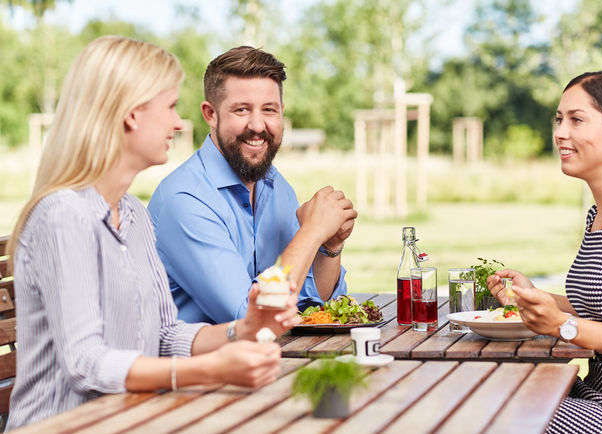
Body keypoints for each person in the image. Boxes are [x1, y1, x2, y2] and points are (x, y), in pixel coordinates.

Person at [5, 36, 300, 430]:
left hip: (133, 419)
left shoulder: (133, 214)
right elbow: (84, 363)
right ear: (131, 115)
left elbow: (164, 335)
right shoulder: (63, 216)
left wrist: (242, 329)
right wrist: (210, 370)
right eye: (171, 106)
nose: (179, 123)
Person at [488, 71, 602, 433]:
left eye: (577, 119)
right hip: (596, 396)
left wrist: (564, 326)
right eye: (559, 119)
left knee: (492, 410)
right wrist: (535, 297)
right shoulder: (599, 216)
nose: (560, 132)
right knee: (479, 386)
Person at [147, 46, 357, 324]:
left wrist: (329, 245)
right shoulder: (185, 199)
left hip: (272, 360)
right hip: (197, 365)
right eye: (242, 110)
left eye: (269, 110)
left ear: (281, 112)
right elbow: (250, 317)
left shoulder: (277, 187)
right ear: (210, 114)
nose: (257, 125)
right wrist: (311, 232)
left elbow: (307, 300)